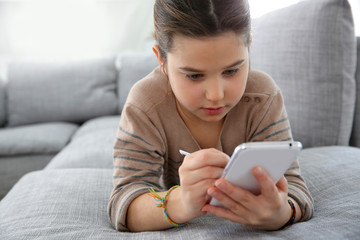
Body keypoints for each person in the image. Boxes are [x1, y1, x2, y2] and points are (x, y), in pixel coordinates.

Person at [108, 0, 313, 232]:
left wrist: (281, 213)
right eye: (194, 76)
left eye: (232, 71)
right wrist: (183, 201)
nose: (216, 96)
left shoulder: (262, 98)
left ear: (249, 47)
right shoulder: (145, 104)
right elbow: (124, 202)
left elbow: (294, 188)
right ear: (161, 59)